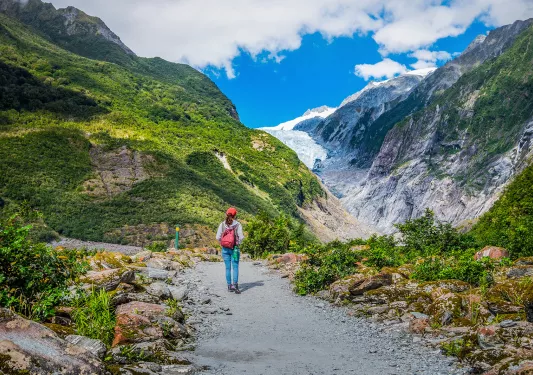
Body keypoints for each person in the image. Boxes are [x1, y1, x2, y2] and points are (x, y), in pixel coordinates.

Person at [216, 207, 244, 294]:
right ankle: (235, 286)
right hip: (234, 249)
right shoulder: (238, 225)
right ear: (235, 215)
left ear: (226, 214)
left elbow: (217, 237)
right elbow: (241, 237)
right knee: (235, 267)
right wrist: (237, 243)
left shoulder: (222, 224)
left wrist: (223, 242)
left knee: (227, 268)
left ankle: (229, 286)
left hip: (225, 249)